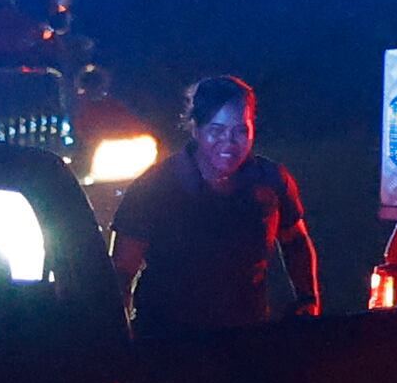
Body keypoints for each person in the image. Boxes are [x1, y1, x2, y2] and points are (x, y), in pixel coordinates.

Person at [110, 75, 321, 336]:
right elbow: (121, 271)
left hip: (247, 335)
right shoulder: (155, 187)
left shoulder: (271, 181)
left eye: (240, 131)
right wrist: (120, 336)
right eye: (216, 130)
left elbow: (296, 242)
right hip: (168, 340)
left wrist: (308, 301)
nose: (229, 143)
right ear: (196, 129)